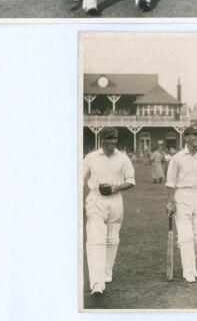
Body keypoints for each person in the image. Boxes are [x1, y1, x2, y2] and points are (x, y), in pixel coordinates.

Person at [82, 127, 135, 298]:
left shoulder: (123, 158)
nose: (113, 142)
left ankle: (106, 272)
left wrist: (114, 188)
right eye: (110, 139)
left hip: (115, 202)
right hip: (95, 200)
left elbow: (131, 181)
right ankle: (97, 283)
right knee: (95, 241)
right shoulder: (91, 158)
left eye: (115, 139)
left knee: (112, 240)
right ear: (102, 139)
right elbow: (79, 181)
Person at [165, 125, 197, 283]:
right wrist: (170, 201)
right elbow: (170, 183)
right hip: (182, 197)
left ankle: (190, 255)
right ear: (186, 138)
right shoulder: (177, 158)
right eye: (193, 135)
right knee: (186, 236)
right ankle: (189, 270)